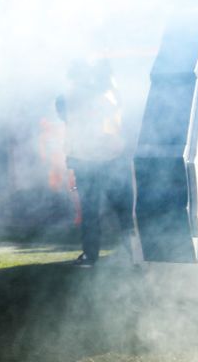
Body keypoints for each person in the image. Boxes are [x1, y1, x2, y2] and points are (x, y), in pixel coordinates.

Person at [56, 59, 141, 267]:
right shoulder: (111, 96)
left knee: (92, 212)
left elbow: (64, 113)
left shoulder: (68, 98)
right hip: (111, 160)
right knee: (124, 213)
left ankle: (91, 256)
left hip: (90, 162)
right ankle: (137, 257)